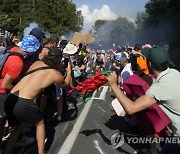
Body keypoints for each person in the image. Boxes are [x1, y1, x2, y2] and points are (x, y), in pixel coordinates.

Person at [107, 46, 180, 153]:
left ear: (149, 64)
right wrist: (140, 74)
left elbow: (131, 108)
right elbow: (154, 81)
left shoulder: (159, 89)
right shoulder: (174, 73)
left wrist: (113, 85)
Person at [4, 47, 71, 154]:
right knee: (40, 123)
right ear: (59, 60)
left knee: (19, 127)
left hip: (11, 98)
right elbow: (66, 86)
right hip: (23, 102)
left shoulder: (36, 64)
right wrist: (69, 71)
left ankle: (6, 151)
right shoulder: (54, 74)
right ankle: (41, 152)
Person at [0, 35, 40, 152]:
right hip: (2, 93)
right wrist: (20, 90)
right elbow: (5, 85)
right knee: (3, 121)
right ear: (31, 50)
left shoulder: (11, 50)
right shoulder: (17, 63)